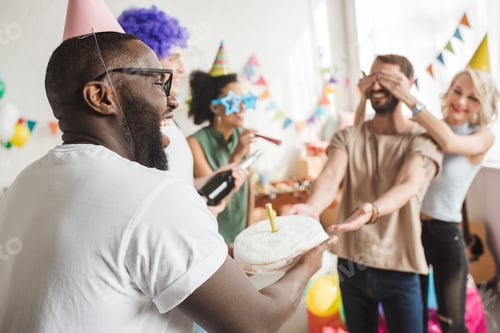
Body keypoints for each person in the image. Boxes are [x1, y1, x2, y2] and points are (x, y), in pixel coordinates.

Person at [0, 2, 336, 332]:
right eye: (159, 82)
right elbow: (257, 324)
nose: (172, 100)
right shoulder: (151, 195)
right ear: (101, 97)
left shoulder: (22, 185)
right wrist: (308, 263)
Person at [287, 54, 443, 333]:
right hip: (352, 265)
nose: (377, 85)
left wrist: (372, 210)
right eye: (372, 77)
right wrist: (312, 208)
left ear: (408, 84)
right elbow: (331, 175)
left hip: (400, 266)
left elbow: (408, 184)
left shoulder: (423, 139)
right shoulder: (350, 137)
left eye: (389, 79)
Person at [118, 6, 246, 217]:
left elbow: (181, 184)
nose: (182, 68)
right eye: (174, 58)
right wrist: (203, 212)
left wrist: (213, 178)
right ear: (146, 60)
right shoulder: (131, 130)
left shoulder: (171, 122)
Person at [187, 42, 257, 244]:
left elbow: (248, 187)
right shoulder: (194, 143)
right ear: (216, 108)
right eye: (234, 100)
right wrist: (237, 156)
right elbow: (214, 194)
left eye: (243, 99)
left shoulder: (242, 135)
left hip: (242, 230)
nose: (242, 106)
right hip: (214, 234)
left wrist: (251, 229)